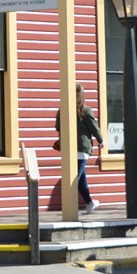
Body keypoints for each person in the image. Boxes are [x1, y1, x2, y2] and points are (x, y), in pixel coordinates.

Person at [56, 83, 105, 214]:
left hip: (68, 146)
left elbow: (57, 127)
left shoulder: (63, 109)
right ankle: (71, 207)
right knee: (76, 177)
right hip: (82, 147)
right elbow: (93, 127)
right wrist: (101, 140)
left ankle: (89, 203)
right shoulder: (86, 110)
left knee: (80, 176)